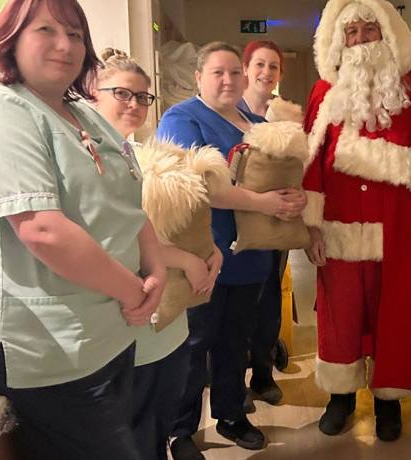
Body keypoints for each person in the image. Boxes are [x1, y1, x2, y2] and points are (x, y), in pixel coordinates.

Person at [0, 1, 164, 458]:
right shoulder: (0, 112)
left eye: (75, 34)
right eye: (45, 30)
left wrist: (155, 271)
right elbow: (43, 231)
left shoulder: (82, 114)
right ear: (10, 38)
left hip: (110, 333)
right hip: (51, 347)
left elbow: (128, 202)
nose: (64, 45)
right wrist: (134, 290)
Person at [155, 41, 306, 460]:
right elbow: (200, 186)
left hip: (252, 255)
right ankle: (180, 429)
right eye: (217, 72)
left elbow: (279, 177)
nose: (227, 80)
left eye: (233, 73)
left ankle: (230, 413)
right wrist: (264, 203)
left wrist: (292, 200)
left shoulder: (257, 123)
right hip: (202, 254)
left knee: (234, 341)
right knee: (194, 343)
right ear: (199, 78)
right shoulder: (182, 118)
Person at [301, 0, 411, 442]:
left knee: (393, 312)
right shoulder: (324, 92)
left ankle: (387, 401)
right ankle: (340, 398)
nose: (360, 40)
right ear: (339, 41)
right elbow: (311, 160)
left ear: (388, 34)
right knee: (340, 314)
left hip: (400, 226)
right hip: (338, 221)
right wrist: (310, 224)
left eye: (369, 30)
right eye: (352, 32)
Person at [93, 48, 222, 460]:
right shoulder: (90, 156)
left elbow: (168, 226)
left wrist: (209, 250)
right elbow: (109, 236)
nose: (134, 104)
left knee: (158, 416)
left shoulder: (139, 154)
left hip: (167, 316)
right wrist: (185, 260)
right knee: (133, 427)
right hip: (129, 316)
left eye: (143, 97)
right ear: (93, 93)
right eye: (122, 94)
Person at [238, 39, 289, 410]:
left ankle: (263, 373)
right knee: (236, 303)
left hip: (273, 225)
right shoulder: (227, 111)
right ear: (246, 69)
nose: (265, 72)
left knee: (269, 298)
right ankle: (231, 380)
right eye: (259, 64)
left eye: (273, 66)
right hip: (235, 223)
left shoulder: (284, 117)